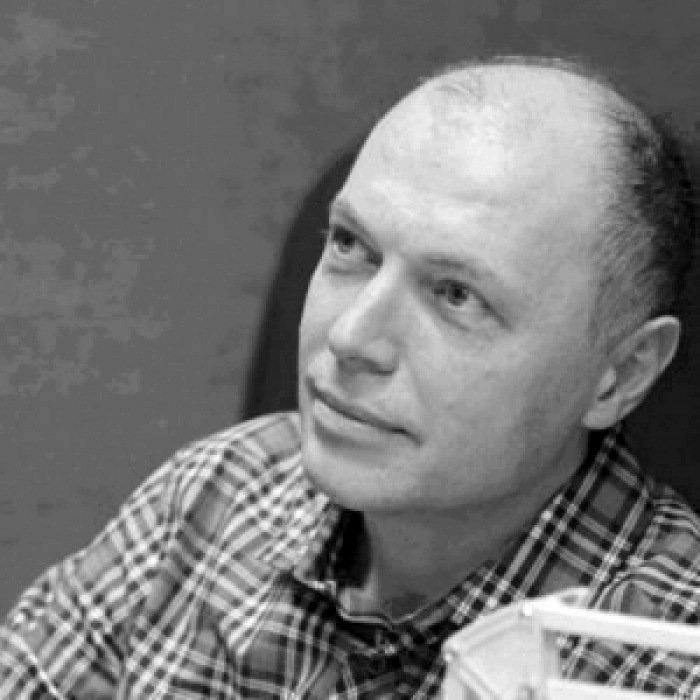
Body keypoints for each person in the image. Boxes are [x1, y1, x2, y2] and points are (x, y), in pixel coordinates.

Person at [1, 55, 699, 698]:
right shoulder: (219, 494)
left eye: (456, 295)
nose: (350, 336)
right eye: (350, 245)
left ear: (619, 375)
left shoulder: (669, 661)